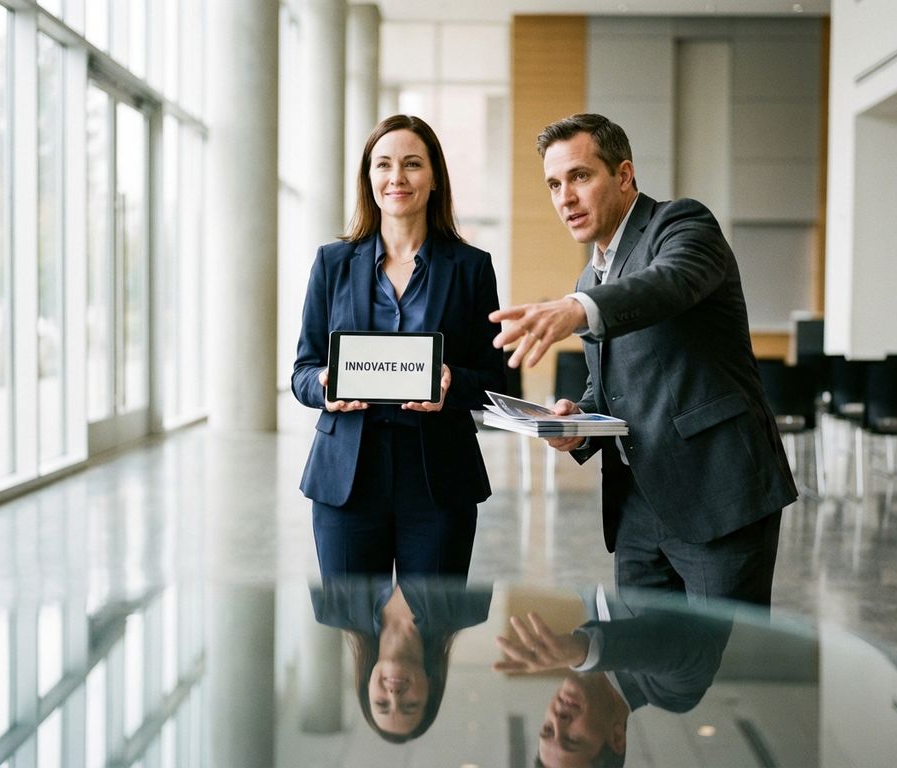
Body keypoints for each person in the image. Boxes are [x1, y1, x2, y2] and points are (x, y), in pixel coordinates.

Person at [489, 113, 797, 607]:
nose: (564, 198)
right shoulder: (588, 280)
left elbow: (669, 283)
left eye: (580, 176)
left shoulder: (682, 225)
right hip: (636, 505)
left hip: (717, 492)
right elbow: (609, 387)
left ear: (624, 174)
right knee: (643, 669)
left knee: (725, 672)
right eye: (553, 184)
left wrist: (577, 311)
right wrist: (577, 423)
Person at [293, 115, 505, 577]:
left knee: (431, 632)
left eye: (412, 164)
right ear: (369, 179)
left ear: (434, 179)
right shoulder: (332, 263)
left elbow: (494, 378)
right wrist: (324, 385)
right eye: (383, 165)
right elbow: (303, 370)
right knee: (351, 631)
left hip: (437, 476)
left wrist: (453, 382)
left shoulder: (471, 268)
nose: (397, 178)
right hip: (347, 474)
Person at [494, 588, 734, 767]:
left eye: (547, 729)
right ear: (617, 737)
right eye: (572, 739)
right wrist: (583, 649)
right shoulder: (670, 692)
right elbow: (685, 650)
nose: (558, 720)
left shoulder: (593, 619)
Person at [310, 576, 492, 742]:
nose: (394, 695)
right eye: (410, 705)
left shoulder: (331, 606)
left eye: (382, 703)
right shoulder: (469, 608)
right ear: (431, 688)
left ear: (367, 687)